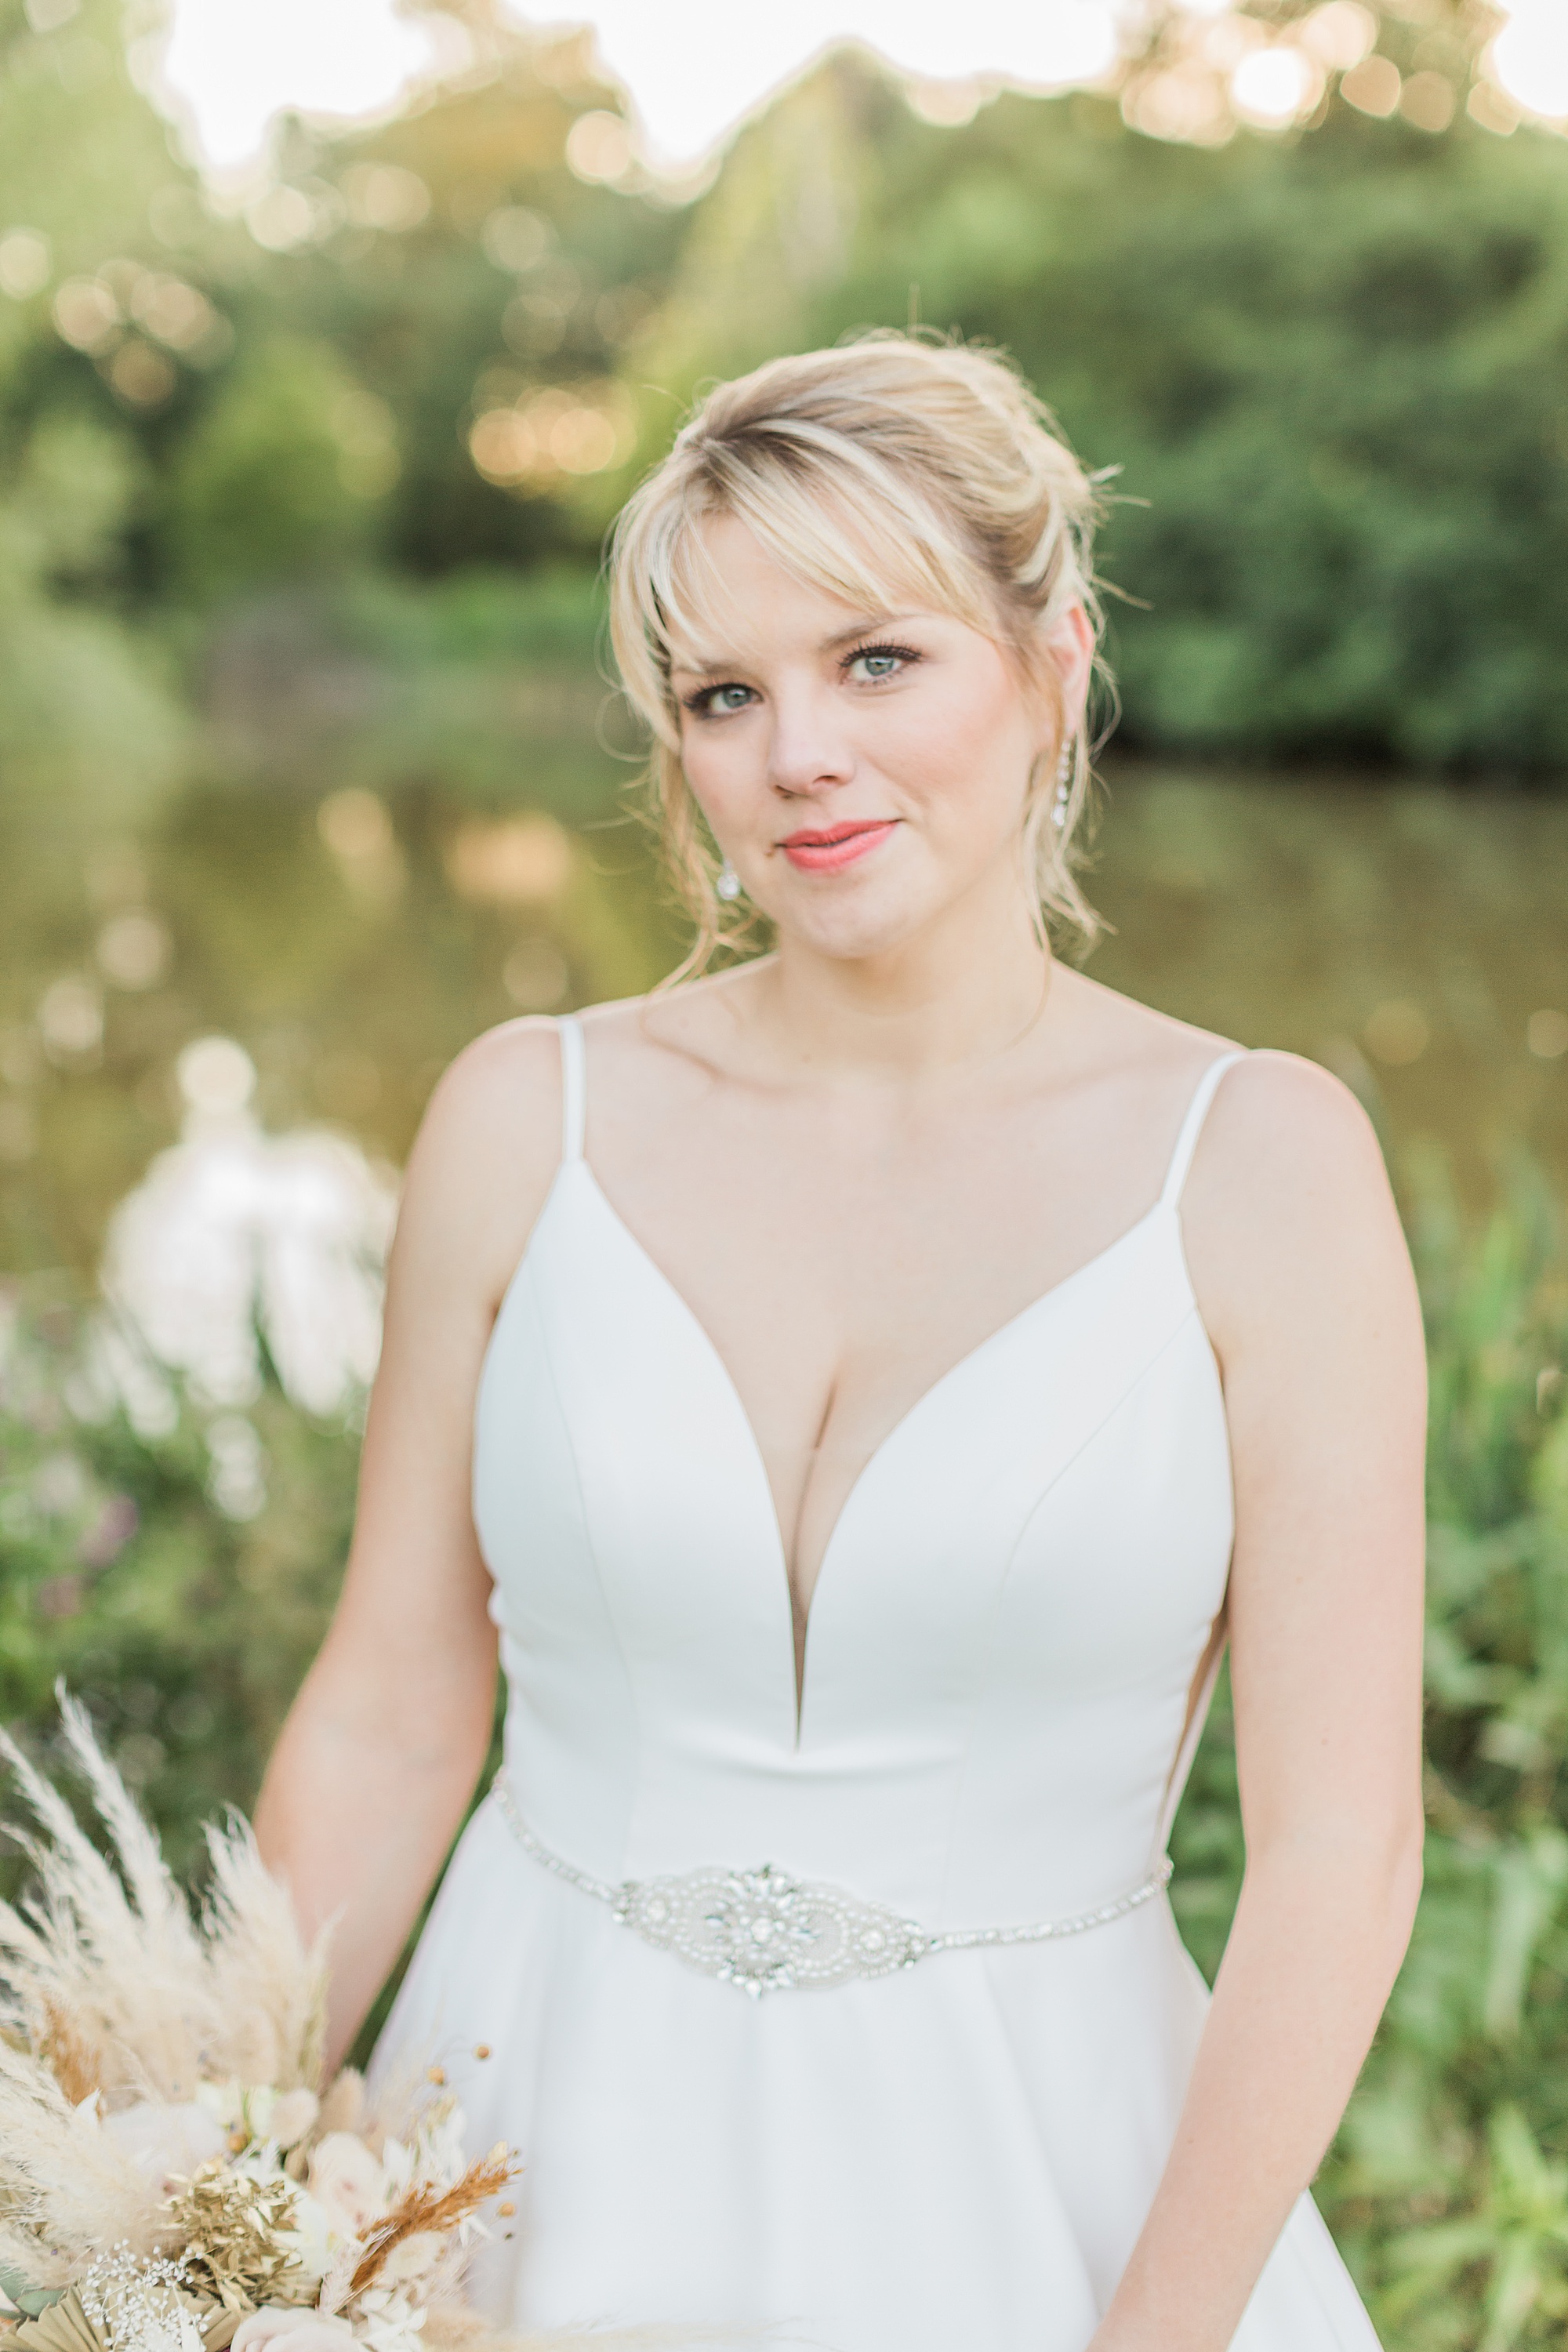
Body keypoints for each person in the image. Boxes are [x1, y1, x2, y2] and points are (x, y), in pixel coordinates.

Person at [252, 334, 1427, 2352]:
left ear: (1052, 663)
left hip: (1037, 2194)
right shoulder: (520, 1120)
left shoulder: (1262, 1167)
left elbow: (1338, 1848)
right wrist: (205, 2189)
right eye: (725, 693)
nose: (798, 750)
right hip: (508, 2151)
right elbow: (387, 1709)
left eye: (875, 659)